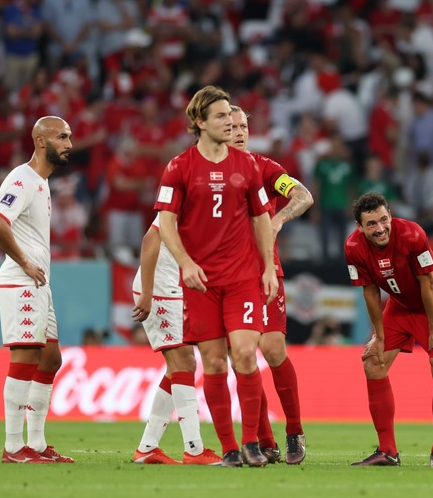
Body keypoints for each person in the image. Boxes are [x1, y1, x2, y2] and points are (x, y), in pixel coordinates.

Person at [154, 85, 278, 468]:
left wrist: (269, 266)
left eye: (231, 115)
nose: (231, 122)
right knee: (213, 364)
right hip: (200, 282)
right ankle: (228, 449)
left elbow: (261, 220)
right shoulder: (179, 167)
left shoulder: (248, 166)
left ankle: (252, 443)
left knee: (243, 353)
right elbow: (165, 222)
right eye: (222, 116)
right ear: (200, 122)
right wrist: (185, 263)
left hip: (242, 277)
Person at [345, 192, 433, 468]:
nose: (380, 228)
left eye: (384, 219)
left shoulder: (412, 235)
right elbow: (370, 293)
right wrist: (379, 336)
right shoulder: (352, 247)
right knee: (373, 362)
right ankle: (387, 451)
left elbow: (429, 284)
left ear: (390, 215)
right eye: (371, 224)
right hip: (401, 305)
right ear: (360, 228)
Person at [228, 105, 313, 464]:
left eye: (243, 126)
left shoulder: (265, 169)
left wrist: (276, 221)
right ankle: (265, 440)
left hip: (264, 272)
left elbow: (303, 196)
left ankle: (294, 431)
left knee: (273, 349)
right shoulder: (202, 175)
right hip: (225, 278)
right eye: (231, 126)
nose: (239, 132)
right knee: (241, 357)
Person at [0, 116, 75, 463]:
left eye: (70, 137)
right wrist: (24, 262)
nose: (69, 144)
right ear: (41, 141)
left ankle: (36, 444)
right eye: (62, 137)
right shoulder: (22, 179)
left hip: (38, 283)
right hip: (21, 280)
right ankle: (13, 447)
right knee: (24, 357)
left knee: (51, 358)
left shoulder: (41, 181)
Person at [130, 216, 223, 465]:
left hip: (174, 286)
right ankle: (194, 449)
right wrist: (148, 291)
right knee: (184, 362)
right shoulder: (187, 197)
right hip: (160, 286)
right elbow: (151, 239)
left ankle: (148, 447)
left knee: (178, 366)